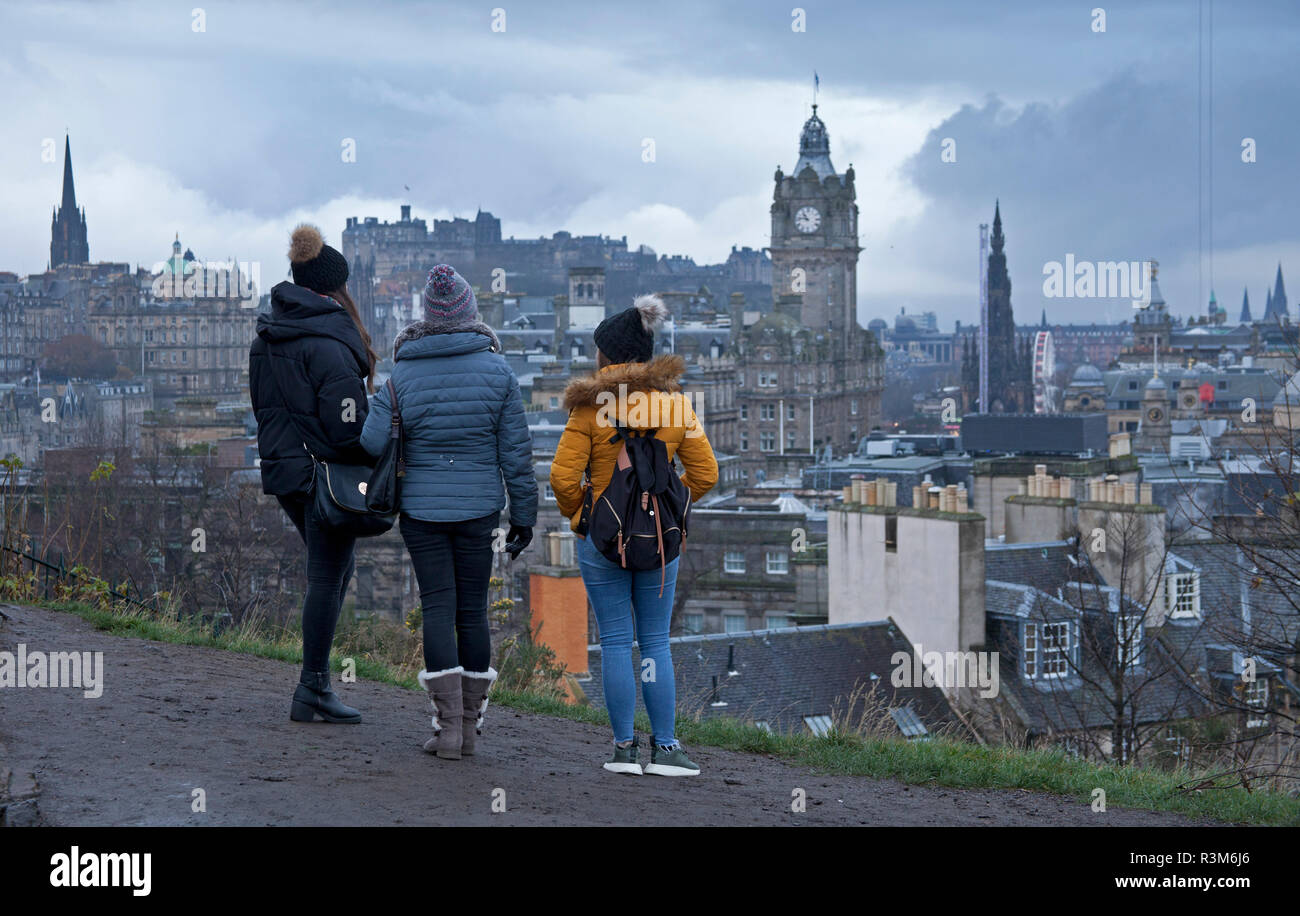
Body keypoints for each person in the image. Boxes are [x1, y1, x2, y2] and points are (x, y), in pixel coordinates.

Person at [362, 264, 536, 759]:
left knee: (437, 608)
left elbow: (371, 440)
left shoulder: (402, 375)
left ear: (427, 318)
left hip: (421, 509)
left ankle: (447, 729)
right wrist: (524, 517)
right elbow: (517, 456)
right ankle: (470, 724)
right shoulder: (498, 371)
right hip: (481, 509)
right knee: (473, 611)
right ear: (470, 313)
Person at [550, 295, 718, 776]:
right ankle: (666, 749)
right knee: (656, 642)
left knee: (617, 641)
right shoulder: (677, 406)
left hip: (601, 543)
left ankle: (624, 749)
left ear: (607, 356)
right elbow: (706, 475)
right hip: (661, 542)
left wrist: (586, 516)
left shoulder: (588, 410)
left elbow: (563, 481)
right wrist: (667, 505)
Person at [250, 224, 379, 724]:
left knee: (332, 571)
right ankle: (312, 688)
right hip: (324, 475)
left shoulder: (269, 332)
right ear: (334, 288)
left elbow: (264, 407)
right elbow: (348, 429)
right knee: (327, 575)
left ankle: (316, 685)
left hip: (286, 472)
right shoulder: (328, 340)